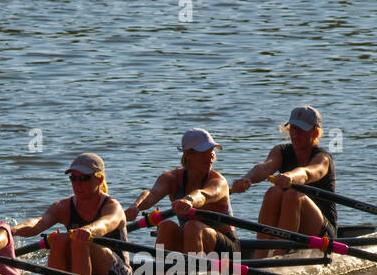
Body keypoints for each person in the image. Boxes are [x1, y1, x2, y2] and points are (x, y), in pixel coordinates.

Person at [14, 153, 133, 275]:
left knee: (79, 241)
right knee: (58, 239)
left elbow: (105, 224)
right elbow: (38, 223)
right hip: (86, 271)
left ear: (99, 179)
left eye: (84, 178)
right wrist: (12, 230)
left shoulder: (113, 207)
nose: (77, 183)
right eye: (73, 178)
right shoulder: (64, 206)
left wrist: (88, 230)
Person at [232, 106, 338, 255]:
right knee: (273, 192)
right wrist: (247, 178)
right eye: (292, 128)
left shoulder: (322, 157)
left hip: (323, 231)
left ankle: (279, 256)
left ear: (315, 132)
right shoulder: (281, 151)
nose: (295, 134)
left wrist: (291, 177)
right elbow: (264, 168)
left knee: (293, 195)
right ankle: (260, 255)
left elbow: (307, 173)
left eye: (301, 130)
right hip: (290, 226)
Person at [124, 128, 241, 256]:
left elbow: (203, 195)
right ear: (187, 154)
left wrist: (189, 200)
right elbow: (152, 194)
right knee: (165, 226)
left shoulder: (219, 182)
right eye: (204, 151)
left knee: (193, 227)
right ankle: (163, 272)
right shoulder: (171, 179)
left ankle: (192, 273)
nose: (211, 155)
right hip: (193, 243)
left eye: (212, 150)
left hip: (227, 249)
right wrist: (135, 206)